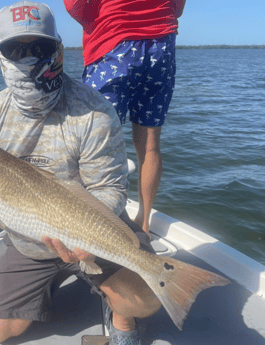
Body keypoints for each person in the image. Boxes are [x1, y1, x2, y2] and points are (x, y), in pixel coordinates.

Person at [0, 2, 160, 344]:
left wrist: (88, 242)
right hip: (29, 241)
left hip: (92, 228)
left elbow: (109, 188)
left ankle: (118, 314)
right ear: (0, 55)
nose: (28, 57)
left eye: (40, 47)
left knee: (146, 299)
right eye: (15, 49)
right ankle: (52, 285)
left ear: (58, 49)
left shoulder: (95, 112)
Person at [64, 0, 186, 236]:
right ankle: (143, 224)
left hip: (114, 44)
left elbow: (75, 5)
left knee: (95, 145)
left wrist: (97, 22)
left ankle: (98, 228)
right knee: (150, 146)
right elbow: (177, 6)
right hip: (160, 46)